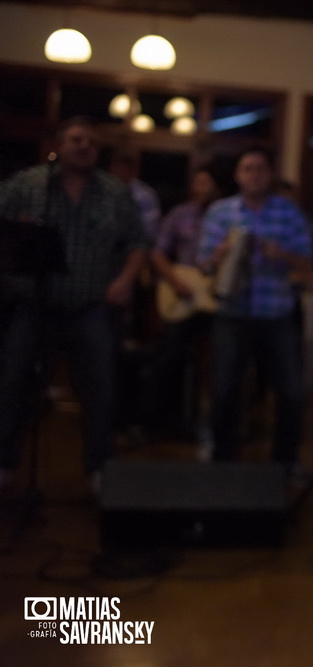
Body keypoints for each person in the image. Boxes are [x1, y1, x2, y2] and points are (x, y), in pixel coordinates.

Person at [0, 116, 147, 493]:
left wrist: (125, 280)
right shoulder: (28, 185)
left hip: (90, 308)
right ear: (60, 144)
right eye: (78, 140)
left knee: (100, 390)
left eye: (93, 144)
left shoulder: (115, 192)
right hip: (33, 305)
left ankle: (98, 468)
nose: (85, 148)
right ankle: (4, 463)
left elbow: (138, 242)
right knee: (13, 383)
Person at [197, 147, 313, 470]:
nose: (254, 175)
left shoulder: (289, 213)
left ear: (270, 174)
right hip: (232, 313)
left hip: (277, 314)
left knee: (291, 392)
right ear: (238, 175)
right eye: (247, 169)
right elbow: (203, 265)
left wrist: (281, 254)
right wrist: (218, 255)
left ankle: (285, 463)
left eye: (261, 168)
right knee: (223, 391)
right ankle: (223, 461)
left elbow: (307, 262)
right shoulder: (220, 212)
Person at [141, 166, 222, 442]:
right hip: (182, 294)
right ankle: (155, 421)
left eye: (207, 182)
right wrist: (175, 281)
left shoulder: (227, 216)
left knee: (221, 362)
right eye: (197, 182)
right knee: (167, 356)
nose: (202, 188)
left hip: (215, 299)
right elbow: (158, 253)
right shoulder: (179, 214)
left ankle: (211, 422)